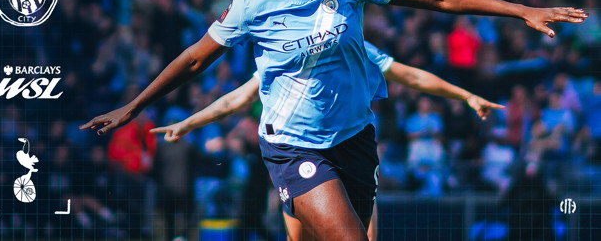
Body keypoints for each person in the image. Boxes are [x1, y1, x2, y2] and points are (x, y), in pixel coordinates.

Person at [81, 0, 587, 240]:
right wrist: (135, 105)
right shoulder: (253, 4)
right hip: (293, 143)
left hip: (355, 138)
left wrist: (521, 10)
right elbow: (195, 58)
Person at [149, 40, 504, 240]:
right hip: (299, 153)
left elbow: (411, 76)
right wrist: (188, 123)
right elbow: (238, 98)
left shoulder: (358, 48)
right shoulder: (287, 52)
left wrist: (465, 96)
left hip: (352, 154)